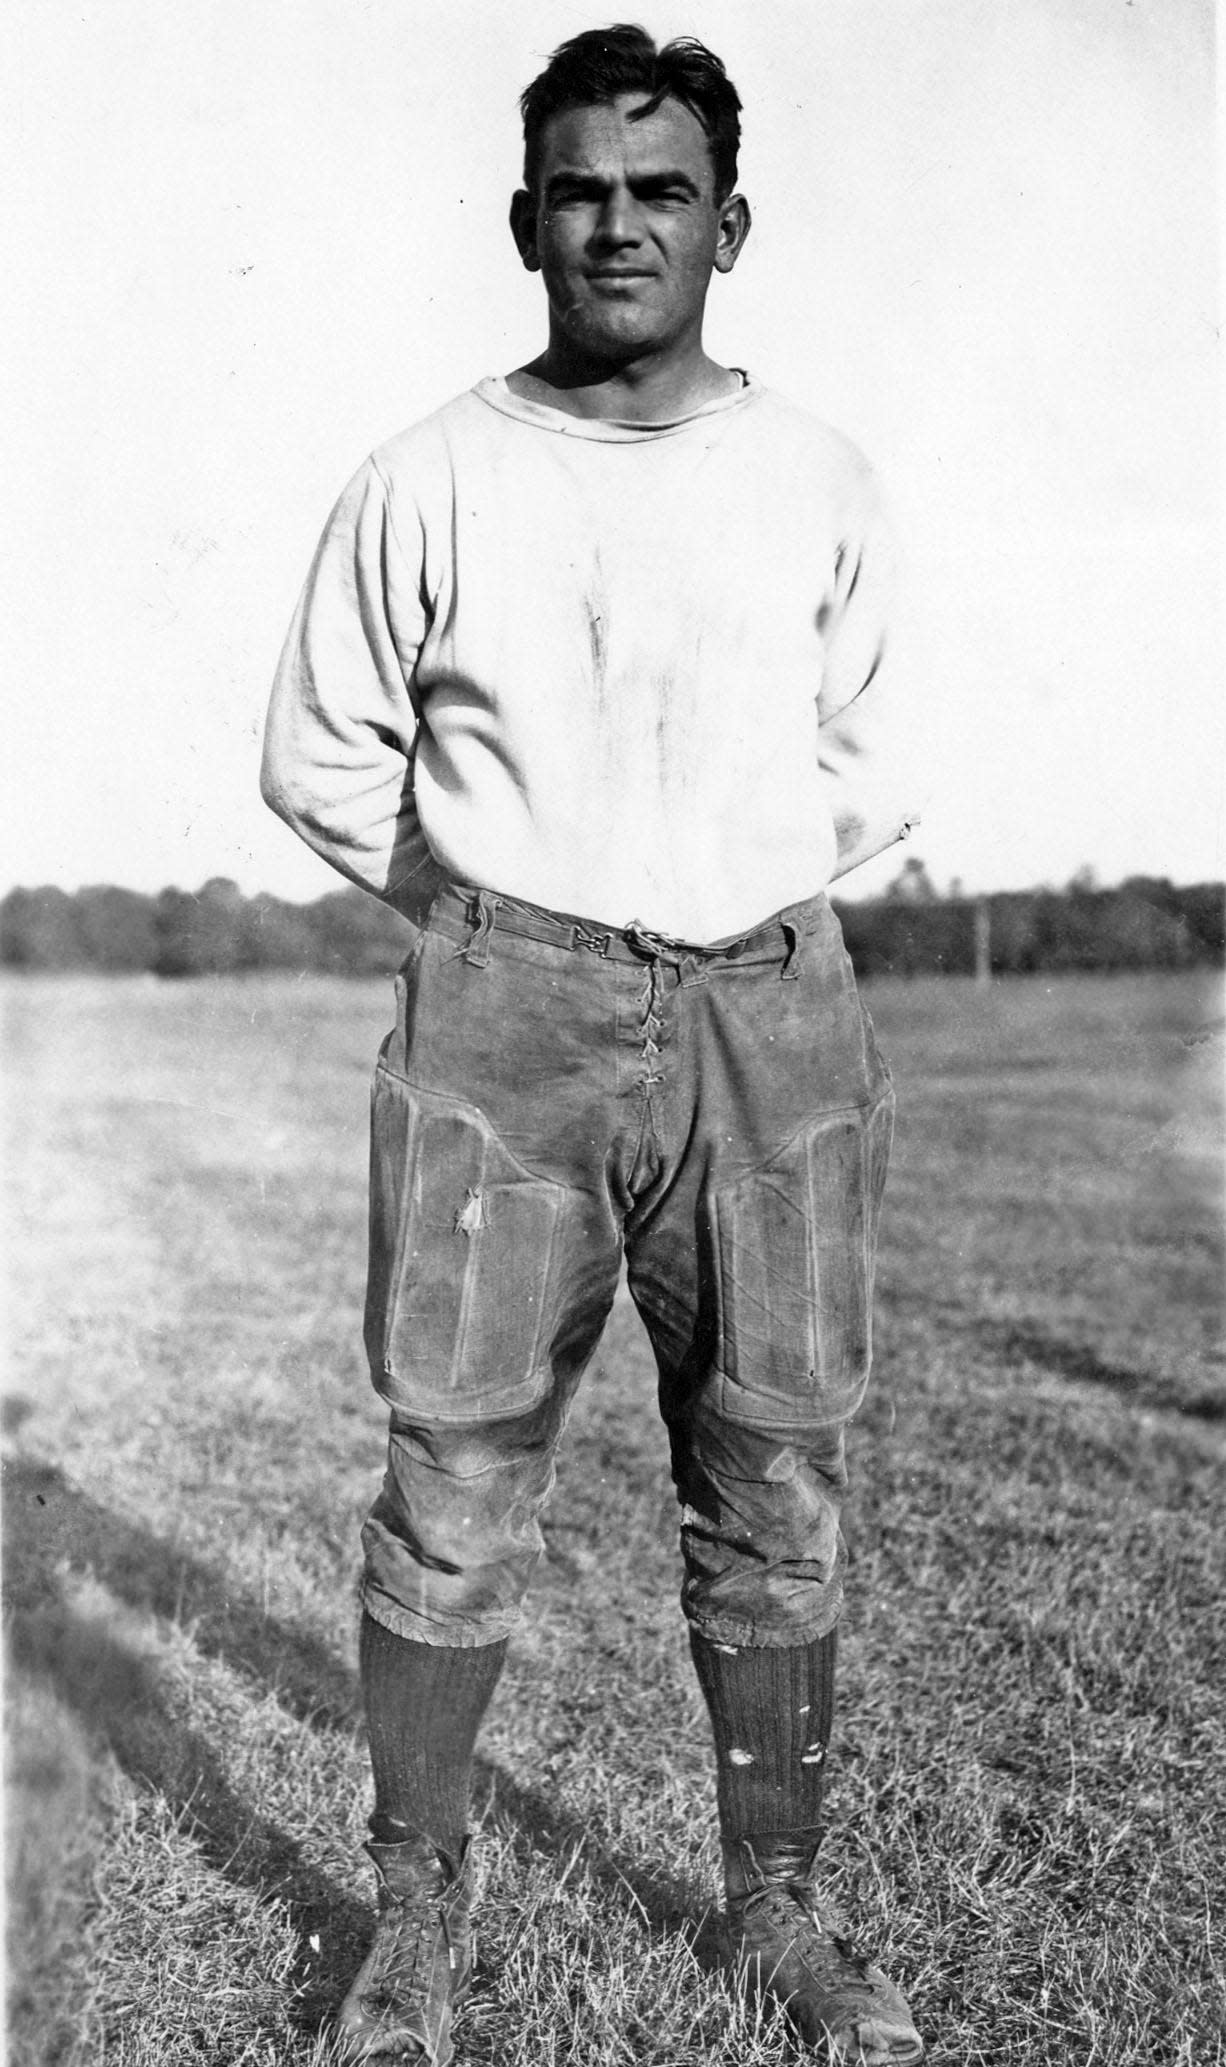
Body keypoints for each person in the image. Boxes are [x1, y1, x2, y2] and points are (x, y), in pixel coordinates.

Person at [262, 24, 925, 2064]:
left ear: (727, 221)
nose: (617, 222)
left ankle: (776, 1908)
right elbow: (319, 759)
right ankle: (419, 1928)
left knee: (778, 1473)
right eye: (580, 187)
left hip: (768, 1015)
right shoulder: (427, 473)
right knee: (450, 1476)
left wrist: (722, 910)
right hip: (506, 1019)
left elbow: (869, 766)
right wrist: (496, 920)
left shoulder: (815, 474)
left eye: (659, 190)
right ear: (522, 217)